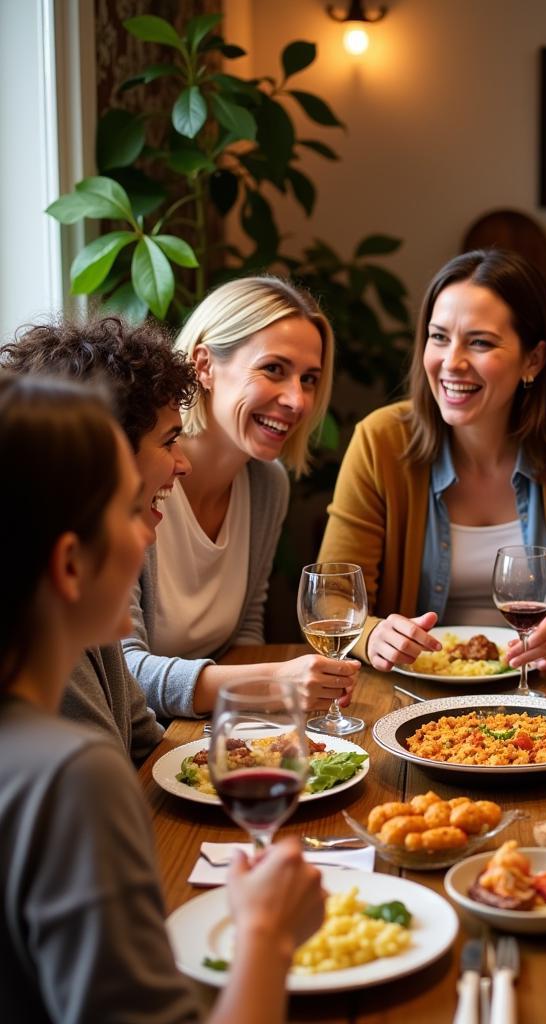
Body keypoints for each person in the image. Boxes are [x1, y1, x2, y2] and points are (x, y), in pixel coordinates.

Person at [0, 373, 323, 1023]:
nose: (150, 533)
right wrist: (266, 932)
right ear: (69, 566)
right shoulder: (70, 775)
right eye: (128, 510)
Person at [318, 248, 546, 672]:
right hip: (414, 691)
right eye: (439, 336)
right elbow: (332, 596)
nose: (451, 362)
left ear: (533, 360)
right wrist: (373, 636)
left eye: (479, 342)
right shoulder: (380, 441)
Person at [123, 276, 360, 718]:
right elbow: (120, 673)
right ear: (204, 365)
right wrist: (272, 684)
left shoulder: (268, 485)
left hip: (209, 732)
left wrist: (255, 719)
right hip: (144, 746)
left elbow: (243, 635)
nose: (297, 400)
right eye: (274, 369)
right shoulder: (140, 476)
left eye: (309, 379)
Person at [0, 316, 194, 763]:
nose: (183, 463)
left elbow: (145, 741)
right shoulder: (48, 631)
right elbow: (100, 780)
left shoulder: (84, 607)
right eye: (168, 442)